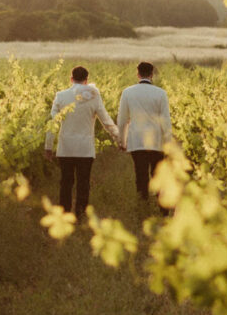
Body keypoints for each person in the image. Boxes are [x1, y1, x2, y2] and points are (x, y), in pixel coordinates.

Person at [44, 65, 119, 221]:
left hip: (66, 148)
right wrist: (119, 138)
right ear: (86, 80)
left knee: (66, 183)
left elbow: (52, 124)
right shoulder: (94, 96)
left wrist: (48, 147)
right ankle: (80, 216)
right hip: (85, 149)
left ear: (71, 79)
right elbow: (106, 121)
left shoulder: (60, 96)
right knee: (83, 184)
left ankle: (64, 217)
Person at [117, 61, 173, 213]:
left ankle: (143, 210)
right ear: (152, 74)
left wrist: (122, 140)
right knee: (158, 175)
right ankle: (163, 209)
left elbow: (122, 120)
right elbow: (166, 121)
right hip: (156, 141)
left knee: (141, 176)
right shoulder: (161, 93)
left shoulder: (127, 92)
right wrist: (168, 143)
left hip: (137, 141)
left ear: (138, 74)